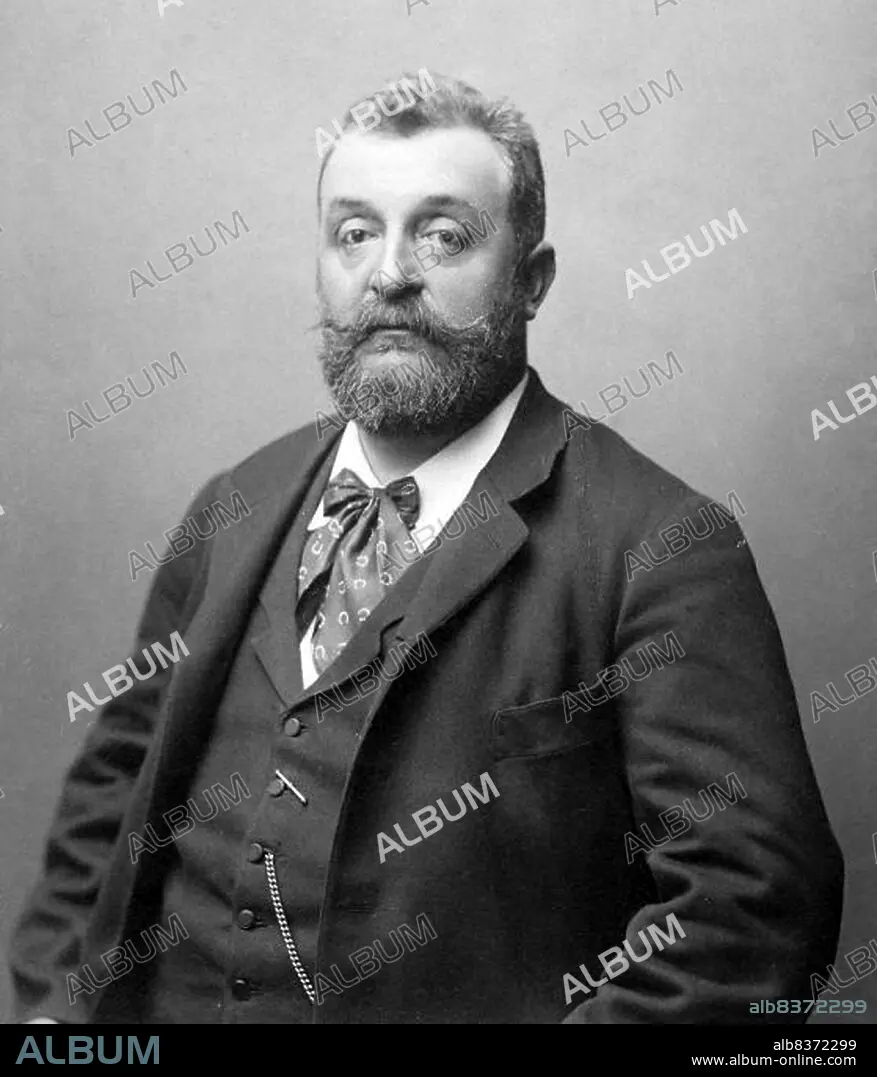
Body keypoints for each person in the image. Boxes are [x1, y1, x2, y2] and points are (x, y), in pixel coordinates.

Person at [10, 71, 843, 1025]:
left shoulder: (660, 546)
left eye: (443, 235)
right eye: (354, 232)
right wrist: (56, 1016)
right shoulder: (234, 503)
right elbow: (108, 803)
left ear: (531, 280)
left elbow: (749, 918)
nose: (389, 273)